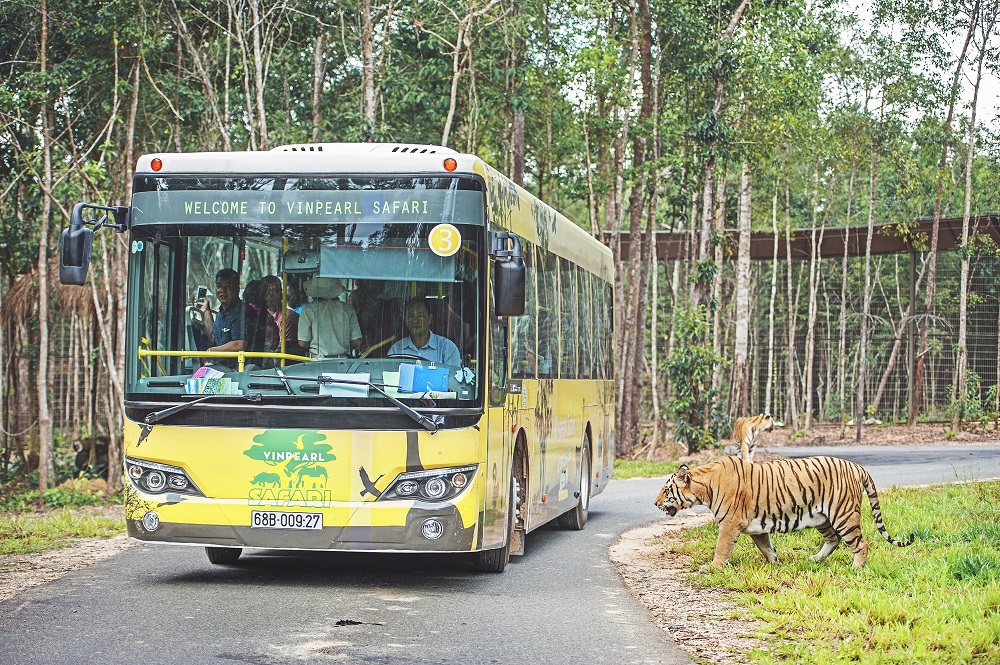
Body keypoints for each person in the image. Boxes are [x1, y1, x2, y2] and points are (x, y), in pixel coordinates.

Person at [297, 277, 363, 357]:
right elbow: (357, 340)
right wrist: (341, 348)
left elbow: (303, 343)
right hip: (343, 361)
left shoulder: (308, 310)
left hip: (317, 362)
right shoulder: (348, 309)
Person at [389, 297, 461, 366]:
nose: (415, 320)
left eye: (420, 315)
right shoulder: (396, 349)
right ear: (405, 320)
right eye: (411, 316)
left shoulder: (447, 348)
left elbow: (453, 377)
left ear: (430, 319)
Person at [197, 268, 248, 354]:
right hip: (221, 364)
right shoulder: (221, 313)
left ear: (237, 289)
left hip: (236, 366)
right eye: (219, 286)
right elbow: (213, 336)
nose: (222, 291)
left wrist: (211, 352)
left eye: (228, 286)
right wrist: (206, 311)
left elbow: (240, 344)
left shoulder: (242, 312)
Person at [262, 275, 299, 352]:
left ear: (280, 293)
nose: (270, 295)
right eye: (267, 291)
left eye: (274, 291)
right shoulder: (260, 315)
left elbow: (283, 347)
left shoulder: (287, 316)